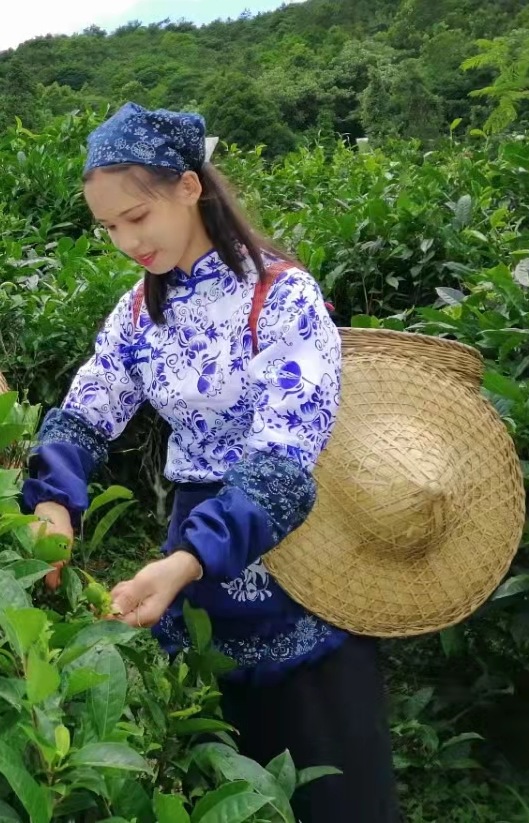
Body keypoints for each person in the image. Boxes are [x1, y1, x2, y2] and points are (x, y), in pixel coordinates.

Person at [25, 103, 398, 822]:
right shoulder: (140, 312)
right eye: (109, 228)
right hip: (193, 549)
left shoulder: (281, 296)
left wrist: (191, 558)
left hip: (292, 549)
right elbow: (84, 410)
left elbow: (285, 462)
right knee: (216, 768)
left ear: (189, 188)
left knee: (327, 771)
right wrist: (52, 501)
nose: (126, 241)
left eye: (137, 217)